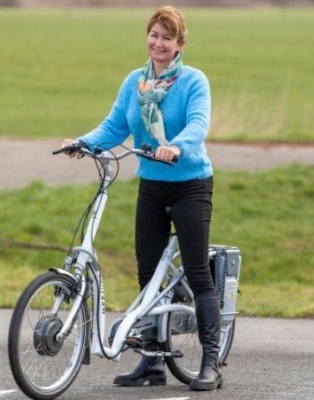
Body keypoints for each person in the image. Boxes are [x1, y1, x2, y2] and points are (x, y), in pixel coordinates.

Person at [60, 5, 222, 392]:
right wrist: (83, 142)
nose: (158, 43)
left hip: (190, 183)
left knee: (198, 273)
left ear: (179, 44)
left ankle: (211, 361)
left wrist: (176, 147)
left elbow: (198, 125)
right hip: (151, 184)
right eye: (154, 35)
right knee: (147, 273)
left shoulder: (194, 81)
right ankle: (151, 361)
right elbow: (114, 125)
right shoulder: (136, 82)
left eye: (167, 37)